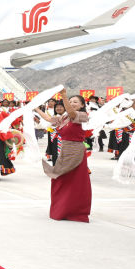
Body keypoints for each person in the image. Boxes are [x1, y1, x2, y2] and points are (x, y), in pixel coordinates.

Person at [36, 95, 92, 223]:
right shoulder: (65, 118)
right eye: (70, 101)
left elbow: (72, 112)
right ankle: (62, 209)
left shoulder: (82, 115)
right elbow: (49, 119)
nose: (72, 103)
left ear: (82, 105)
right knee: (61, 181)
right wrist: (36, 108)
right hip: (65, 151)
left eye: (75, 102)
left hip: (76, 152)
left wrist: (64, 95)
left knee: (74, 182)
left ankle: (75, 211)